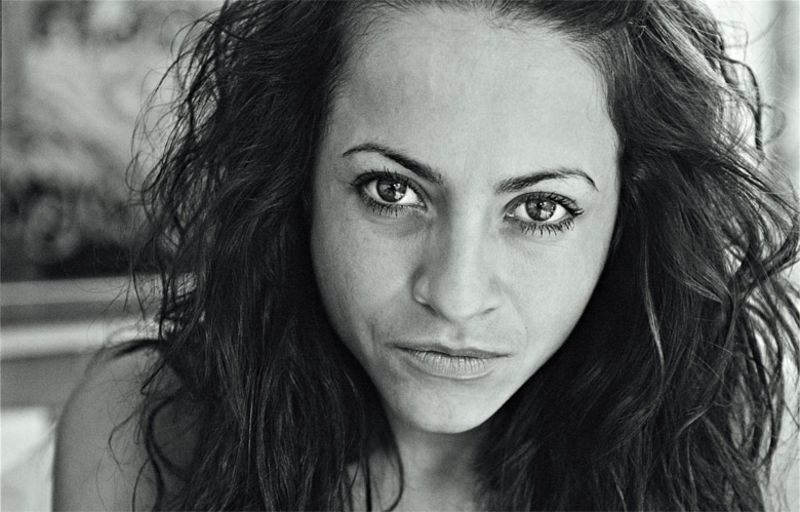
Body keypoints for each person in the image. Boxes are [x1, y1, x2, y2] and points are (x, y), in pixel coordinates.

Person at [53, 0, 800, 510]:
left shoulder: (733, 448)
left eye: (541, 210)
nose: (455, 294)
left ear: (630, 213)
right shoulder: (145, 427)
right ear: (296, 181)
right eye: (392, 191)